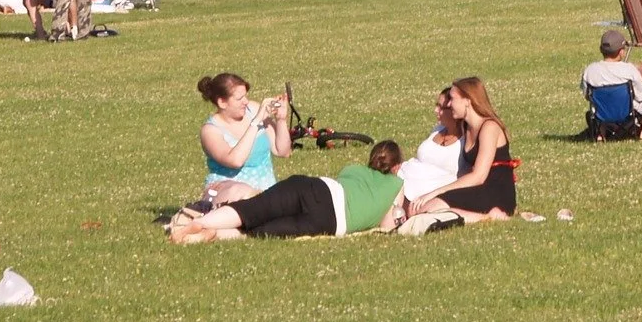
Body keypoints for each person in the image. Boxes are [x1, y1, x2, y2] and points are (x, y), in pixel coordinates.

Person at [170, 142, 406, 243]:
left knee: (252, 209)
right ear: (396, 167)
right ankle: (204, 236)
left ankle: (201, 226)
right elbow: (387, 225)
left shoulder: (353, 169)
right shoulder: (397, 184)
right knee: (254, 233)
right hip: (329, 221)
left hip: (315, 187)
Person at [404, 78, 516, 221]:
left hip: (495, 193)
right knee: (418, 212)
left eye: (452, 99)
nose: (449, 104)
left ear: (467, 101)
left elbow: (478, 176)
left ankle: (488, 217)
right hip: (475, 189)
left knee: (427, 213)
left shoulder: (489, 128)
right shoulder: (466, 128)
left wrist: (434, 192)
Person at [195, 72, 291, 208]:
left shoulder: (253, 109)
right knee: (244, 195)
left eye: (245, 95)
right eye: (239, 98)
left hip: (265, 191)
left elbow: (283, 151)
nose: (245, 101)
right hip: (228, 193)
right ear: (222, 102)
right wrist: (256, 122)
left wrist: (281, 119)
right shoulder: (210, 130)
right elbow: (235, 161)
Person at [581, 28, 642, 138]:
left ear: (601, 50)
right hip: (626, 111)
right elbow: (641, 96)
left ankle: (600, 136)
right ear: (621, 52)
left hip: (601, 111)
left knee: (600, 101)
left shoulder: (589, 70)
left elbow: (587, 95)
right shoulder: (629, 70)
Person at [398, 90, 463, 201]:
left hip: (422, 193)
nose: (435, 110)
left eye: (441, 107)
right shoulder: (437, 130)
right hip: (403, 176)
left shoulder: (464, 142)